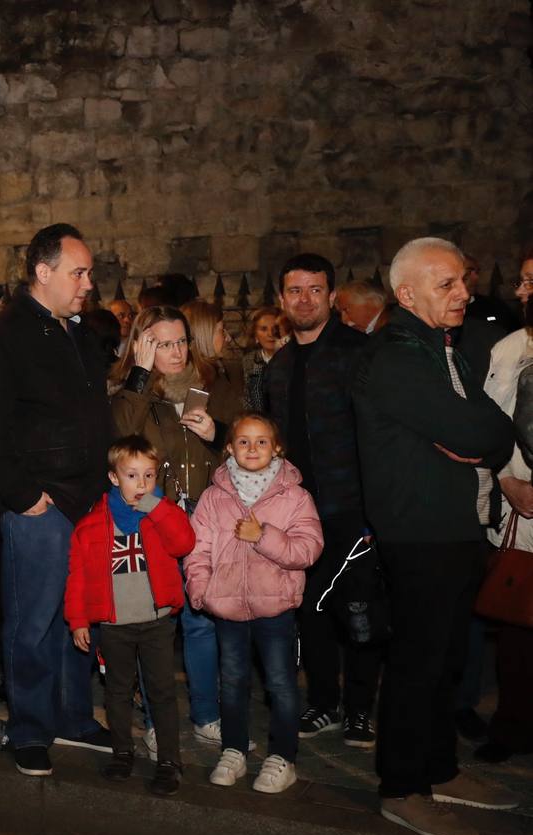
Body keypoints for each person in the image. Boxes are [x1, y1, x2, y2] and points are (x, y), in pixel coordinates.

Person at [353, 236, 517, 835]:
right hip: (418, 531)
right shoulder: (396, 357)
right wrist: (483, 438)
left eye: (461, 282)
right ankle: (402, 788)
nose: (462, 292)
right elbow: (480, 427)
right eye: (445, 284)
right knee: (418, 663)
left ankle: (440, 769)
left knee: (448, 659)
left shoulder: (441, 347)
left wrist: (484, 439)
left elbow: (491, 433)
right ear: (407, 293)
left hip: (454, 526)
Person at [0, 223, 114, 776]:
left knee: (78, 616)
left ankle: (74, 717)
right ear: (42, 273)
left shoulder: (73, 331)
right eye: (78, 272)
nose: (88, 283)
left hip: (85, 501)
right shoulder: (7, 336)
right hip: (41, 507)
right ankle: (30, 728)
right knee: (33, 622)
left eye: (89, 273)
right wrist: (25, 496)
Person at [263, 253, 383, 750]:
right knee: (309, 610)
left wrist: (378, 512)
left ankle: (359, 710)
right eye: (295, 291)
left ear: (332, 297)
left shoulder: (360, 353)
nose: (305, 300)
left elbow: (380, 436)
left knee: (359, 612)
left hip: (353, 508)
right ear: (282, 300)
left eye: (315, 290)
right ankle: (324, 704)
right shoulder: (279, 365)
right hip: (298, 513)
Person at [111, 304, 242, 746]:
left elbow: (250, 445)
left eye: (181, 341)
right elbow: (118, 444)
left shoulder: (215, 384)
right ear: (143, 344)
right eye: (163, 343)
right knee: (155, 626)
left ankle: (206, 715)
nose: (176, 351)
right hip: (152, 520)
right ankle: (155, 721)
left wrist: (217, 434)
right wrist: (141, 378)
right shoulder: (130, 389)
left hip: (205, 520)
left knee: (200, 622)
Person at [186, 413, 323, 793]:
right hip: (227, 609)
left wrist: (262, 536)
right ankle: (233, 750)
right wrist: (201, 590)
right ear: (229, 448)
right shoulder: (215, 497)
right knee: (231, 682)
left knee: (280, 684)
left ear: (277, 448)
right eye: (243, 441)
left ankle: (283, 756)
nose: (252, 448)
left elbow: (308, 549)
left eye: (262, 441)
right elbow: (198, 549)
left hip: (275, 609)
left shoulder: (295, 497)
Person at [64, 435, 195, 795]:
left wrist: (159, 508)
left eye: (149, 476)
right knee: (117, 692)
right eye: (132, 475)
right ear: (113, 478)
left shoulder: (161, 513)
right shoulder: (91, 526)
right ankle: (122, 752)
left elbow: (184, 543)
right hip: (114, 624)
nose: (141, 485)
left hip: (155, 622)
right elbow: (78, 576)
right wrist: (77, 620)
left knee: (162, 692)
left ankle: (170, 760)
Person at [474, 245, 533, 763]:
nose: (521, 292)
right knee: (517, 624)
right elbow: (493, 421)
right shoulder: (511, 347)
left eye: (532, 282)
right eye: (522, 281)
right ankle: (514, 724)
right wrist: (510, 479)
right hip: (523, 503)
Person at [241, 307, 282, 411]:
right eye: (263, 329)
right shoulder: (248, 361)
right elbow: (246, 399)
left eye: (275, 329)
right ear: (255, 335)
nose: (270, 334)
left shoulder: (291, 360)